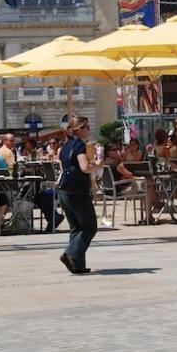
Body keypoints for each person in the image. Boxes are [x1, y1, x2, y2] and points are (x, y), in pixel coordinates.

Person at [56, 116, 103, 274]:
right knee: (90, 227)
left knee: (76, 228)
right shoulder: (80, 146)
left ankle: (77, 265)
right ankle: (70, 254)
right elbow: (84, 167)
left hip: (63, 190)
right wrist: (98, 164)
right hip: (77, 191)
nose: (89, 130)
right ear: (79, 129)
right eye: (87, 127)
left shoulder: (65, 147)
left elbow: (63, 168)